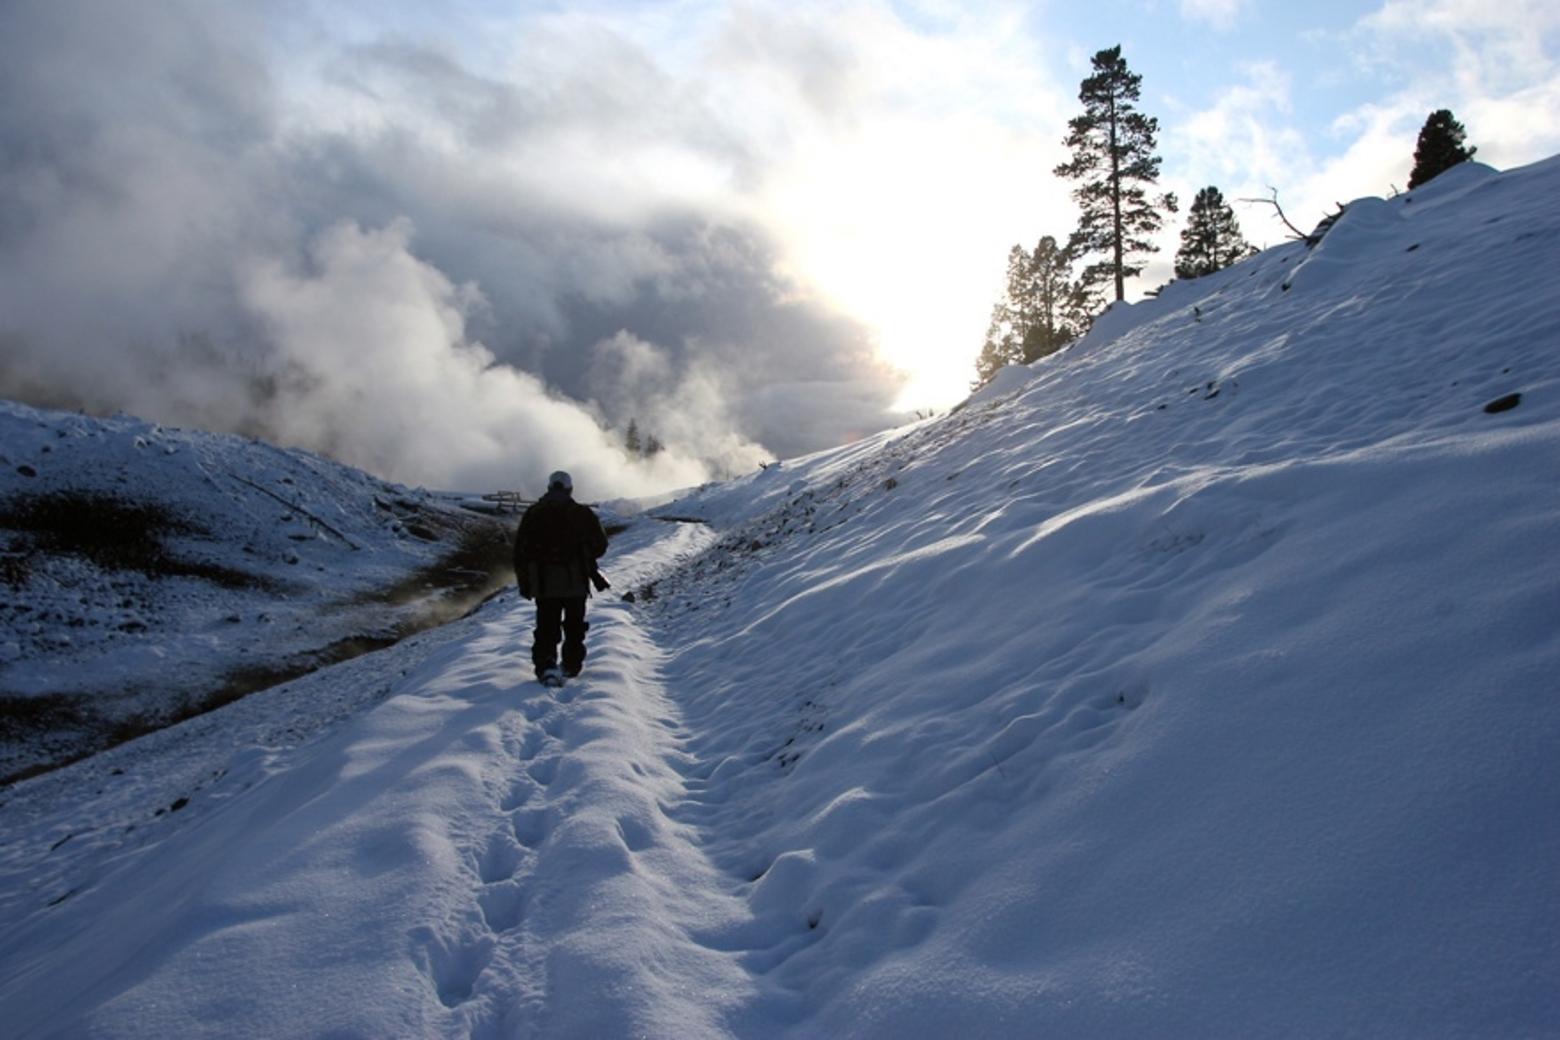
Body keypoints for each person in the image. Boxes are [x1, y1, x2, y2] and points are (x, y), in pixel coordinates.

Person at [513, 471, 609, 685]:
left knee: (547, 627)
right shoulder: (582, 514)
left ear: (549, 488)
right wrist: (584, 556)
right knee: (574, 626)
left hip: (544, 583)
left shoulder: (533, 513)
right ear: (569, 489)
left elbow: (520, 551)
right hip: (576, 581)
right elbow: (600, 546)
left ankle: (546, 666)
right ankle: (571, 665)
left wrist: (525, 582)